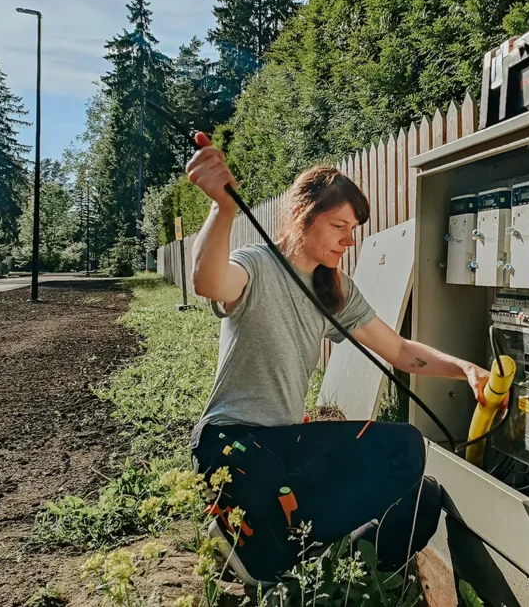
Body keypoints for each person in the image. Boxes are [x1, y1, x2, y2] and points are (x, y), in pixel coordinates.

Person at [185, 131, 492, 584]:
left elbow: (401, 351)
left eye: (353, 230)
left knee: (411, 471)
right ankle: (262, 546)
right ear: (302, 216)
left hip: (286, 446)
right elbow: (208, 281)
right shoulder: (257, 265)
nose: (349, 240)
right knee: (265, 472)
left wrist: (465, 368)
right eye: (339, 226)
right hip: (230, 444)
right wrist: (222, 209)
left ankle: (281, 551)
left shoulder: (336, 291)